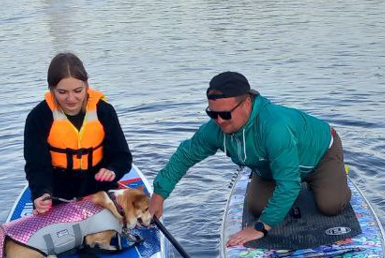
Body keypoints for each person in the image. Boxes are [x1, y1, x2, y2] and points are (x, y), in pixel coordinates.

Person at [150, 72, 350, 248]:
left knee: (331, 205)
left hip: (320, 156)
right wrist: (159, 195)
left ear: (247, 103)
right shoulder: (216, 129)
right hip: (271, 167)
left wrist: (261, 228)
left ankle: (335, 177)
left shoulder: (274, 127)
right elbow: (185, 156)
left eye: (225, 114)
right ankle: (285, 186)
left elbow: (288, 185)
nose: (219, 121)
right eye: (212, 114)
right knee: (257, 208)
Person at [24, 52, 133, 215]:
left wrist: (113, 169)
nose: (71, 98)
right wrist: (41, 193)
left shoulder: (104, 111)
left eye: (77, 90)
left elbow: (123, 157)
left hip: (99, 191)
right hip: (57, 195)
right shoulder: (38, 117)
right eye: (62, 92)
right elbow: (37, 166)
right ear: (51, 89)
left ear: (87, 86)